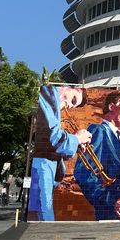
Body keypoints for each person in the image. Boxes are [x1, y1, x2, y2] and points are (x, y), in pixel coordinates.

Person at [74, 90, 120, 221]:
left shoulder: (116, 137)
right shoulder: (98, 130)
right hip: (110, 213)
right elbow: (83, 173)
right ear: (112, 107)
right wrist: (112, 201)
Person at [29, 85, 91, 221]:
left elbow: (51, 142)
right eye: (73, 99)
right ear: (68, 87)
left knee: (40, 217)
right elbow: (52, 138)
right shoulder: (49, 96)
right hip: (42, 168)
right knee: (44, 219)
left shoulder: (51, 102)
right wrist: (77, 139)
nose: (69, 105)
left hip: (46, 170)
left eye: (73, 105)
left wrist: (75, 142)